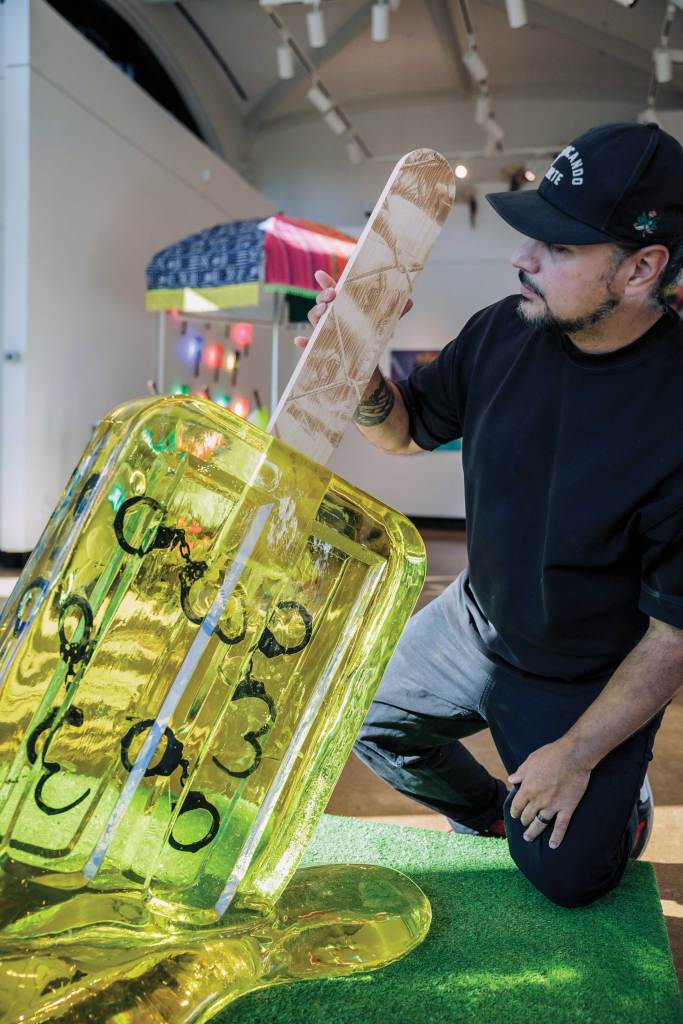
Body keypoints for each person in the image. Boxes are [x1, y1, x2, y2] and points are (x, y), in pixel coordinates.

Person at [296, 122, 683, 908]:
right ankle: (490, 818)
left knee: (570, 878)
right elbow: (404, 433)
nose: (520, 257)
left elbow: (673, 638)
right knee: (356, 719)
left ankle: (615, 805)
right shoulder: (502, 330)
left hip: (584, 673)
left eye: (559, 248)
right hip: (474, 621)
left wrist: (575, 754)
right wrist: (363, 370)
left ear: (642, 268)